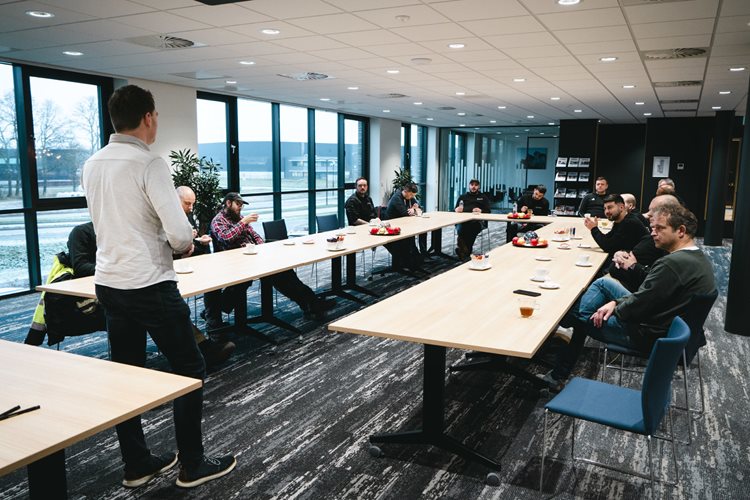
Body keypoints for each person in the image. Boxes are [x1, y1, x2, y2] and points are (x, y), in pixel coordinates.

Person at [82, 84, 235, 489]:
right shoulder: (149, 163)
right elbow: (182, 237)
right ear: (148, 118)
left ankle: (137, 463)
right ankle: (193, 464)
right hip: (148, 282)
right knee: (189, 369)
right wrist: (180, 243)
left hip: (109, 284)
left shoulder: (92, 163)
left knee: (128, 374)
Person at [539, 203, 716, 391]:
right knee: (603, 284)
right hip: (667, 325)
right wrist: (615, 302)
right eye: (652, 228)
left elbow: (639, 305)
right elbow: (650, 296)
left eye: (659, 228)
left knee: (582, 318)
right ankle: (566, 321)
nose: (653, 233)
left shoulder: (671, 264)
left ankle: (557, 363)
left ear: (680, 231)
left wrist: (616, 307)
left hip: (648, 335)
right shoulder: (698, 258)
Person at [209, 192, 335, 321]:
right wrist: (243, 222)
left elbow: (254, 234)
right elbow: (226, 238)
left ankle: (310, 303)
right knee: (281, 275)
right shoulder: (218, 221)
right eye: (238, 204)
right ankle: (311, 304)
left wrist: (262, 247)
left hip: (252, 257)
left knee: (285, 272)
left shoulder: (238, 217)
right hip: (235, 262)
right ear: (228, 203)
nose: (240, 208)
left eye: (241, 205)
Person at [608, 195, 679, 292]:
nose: (648, 214)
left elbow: (657, 285)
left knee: (602, 283)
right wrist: (620, 253)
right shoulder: (666, 246)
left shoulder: (656, 242)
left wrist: (633, 266)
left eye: (653, 211)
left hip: (641, 297)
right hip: (641, 294)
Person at [583, 193, 648, 266]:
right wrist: (594, 228)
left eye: (610, 207)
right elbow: (608, 237)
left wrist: (593, 228)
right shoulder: (620, 220)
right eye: (605, 209)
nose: (606, 212)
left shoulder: (629, 222)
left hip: (637, 265)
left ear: (621, 207)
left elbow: (608, 246)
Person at [385, 183, 423, 271]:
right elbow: (404, 213)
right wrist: (413, 210)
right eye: (411, 195)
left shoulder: (410, 197)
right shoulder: (396, 198)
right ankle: (405, 263)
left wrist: (415, 209)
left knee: (412, 239)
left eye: (413, 196)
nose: (412, 197)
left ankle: (412, 262)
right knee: (408, 240)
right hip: (392, 227)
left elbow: (420, 208)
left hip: (404, 225)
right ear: (406, 191)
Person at [454, 179, 491, 259]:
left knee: (472, 228)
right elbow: (455, 209)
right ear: (469, 186)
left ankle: (463, 250)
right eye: (472, 185)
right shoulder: (463, 197)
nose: (473, 187)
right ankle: (466, 250)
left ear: (479, 186)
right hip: (462, 221)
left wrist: (481, 210)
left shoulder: (483, 197)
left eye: (476, 185)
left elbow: (488, 210)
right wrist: (457, 210)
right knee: (461, 228)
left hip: (477, 222)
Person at [176, 186, 211, 256]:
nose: (191, 208)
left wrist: (202, 241)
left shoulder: (188, 214)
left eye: (193, 204)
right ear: (176, 200)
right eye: (187, 203)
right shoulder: (168, 217)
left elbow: (194, 240)